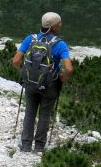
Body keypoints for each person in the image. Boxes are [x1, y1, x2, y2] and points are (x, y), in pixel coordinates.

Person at [12, 12, 73, 153]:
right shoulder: (60, 44)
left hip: (30, 84)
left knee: (29, 112)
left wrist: (23, 73)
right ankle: (39, 147)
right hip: (50, 85)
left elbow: (15, 61)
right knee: (45, 114)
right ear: (53, 27)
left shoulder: (30, 39)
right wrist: (62, 77)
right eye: (59, 23)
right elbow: (69, 68)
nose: (61, 25)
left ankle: (26, 145)